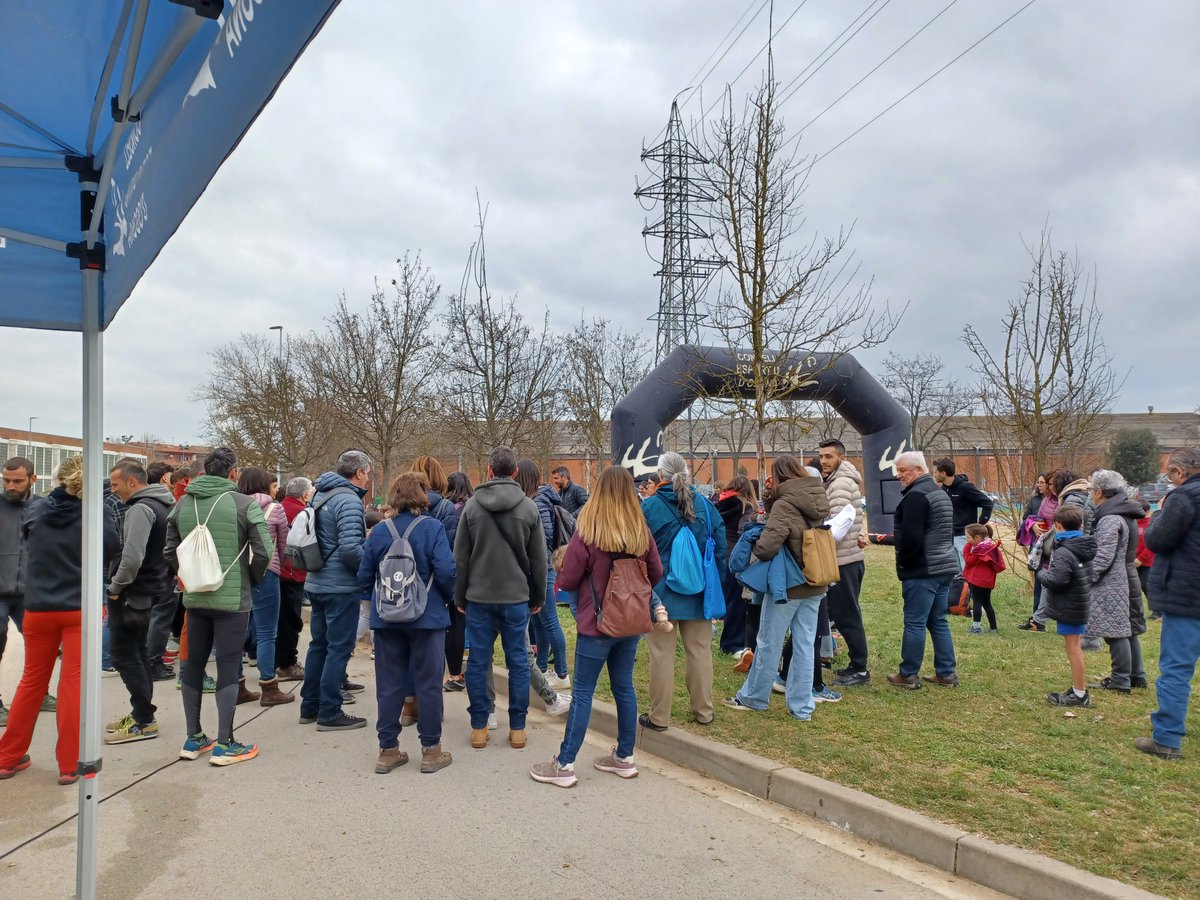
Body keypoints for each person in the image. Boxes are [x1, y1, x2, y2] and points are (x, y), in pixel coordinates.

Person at [530, 466, 663, 787]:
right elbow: (656, 572)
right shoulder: (639, 531)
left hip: (598, 622)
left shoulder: (589, 531)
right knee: (624, 687)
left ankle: (564, 763)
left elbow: (571, 576)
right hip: (631, 622)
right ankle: (624, 757)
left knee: (584, 692)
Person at [0, 457, 119, 782]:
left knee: (31, 681)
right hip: (78, 608)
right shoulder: (94, 512)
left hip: (38, 606)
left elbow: (28, 537)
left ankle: (7, 757)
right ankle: (69, 764)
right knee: (72, 683)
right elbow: (112, 547)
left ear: (56, 480)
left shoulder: (37, 509)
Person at [164, 448, 271, 766]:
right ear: (234, 473)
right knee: (227, 666)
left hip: (195, 597)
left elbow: (169, 548)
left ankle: (193, 737)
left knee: (193, 665)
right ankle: (225, 742)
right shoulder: (243, 504)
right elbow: (263, 551)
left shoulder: (183, 503)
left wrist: (186, 576)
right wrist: (251, 578)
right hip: (232, 598)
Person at [358, 474, 455, 775]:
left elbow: (363, 577)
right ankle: (431, 750)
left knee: (389, 685)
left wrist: (375, 602)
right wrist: (446, 598)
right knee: (428, 685)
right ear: (423, 496)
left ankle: (388, 750)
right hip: (427, 618)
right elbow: (447, 570)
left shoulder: (379, 531)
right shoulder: (433, 527)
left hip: (387, 618)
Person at [723, 456, 831, 720]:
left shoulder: (785, 505)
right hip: (815, 581)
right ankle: (802, 707)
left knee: (769, 642)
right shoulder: (817, 499)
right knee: (805, 644)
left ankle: (754, 697)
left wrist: (759, 536)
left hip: (787, 585)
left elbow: (767, 547)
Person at [454, 446, 547, 751]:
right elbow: (538, 561)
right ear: (516, 472)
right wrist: (538, 596)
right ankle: (517, 728)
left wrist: (460, 595)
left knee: (479, 662)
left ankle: (480, 726)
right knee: (518, 661)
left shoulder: (471, 507)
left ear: (489, 470)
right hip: (515, 597)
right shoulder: (529, 508)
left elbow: (461, 559)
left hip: (479, 597)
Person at [640, 451, 726, 731]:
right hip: (699, 591)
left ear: (660, 476)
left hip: (660, 593)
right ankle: (704, 711)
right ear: (687, 476)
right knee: (700, 651)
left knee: (661, 655)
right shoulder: (705, 505)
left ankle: (659, 716)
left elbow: (637, 550)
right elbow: (721, 548)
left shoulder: (649, 507)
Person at [869, 451, 959, 689]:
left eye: (903, 471)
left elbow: (911, 539)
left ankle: (908, 674)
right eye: (898, 471)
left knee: (915, 622)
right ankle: (946, 673)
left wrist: (905, 565)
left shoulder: (915, 497)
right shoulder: (939, 494)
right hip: (945, 565)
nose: (899, 476)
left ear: (919, 470)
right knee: (938, 620)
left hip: (923, 570)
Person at [299, 449, 373, 732]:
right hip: (340, 586)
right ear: (359, 473)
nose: (367, 477)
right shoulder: (349, 500)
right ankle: (329, 711)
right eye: (367, 472)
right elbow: (351, 550)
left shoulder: (321, 495)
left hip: (316, 581)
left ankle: (310, 705)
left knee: (319, 645)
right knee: (339, 648)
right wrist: (370, 563)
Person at [104, 457, 175, 744]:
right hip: (150, 589)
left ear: (132, 481)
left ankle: (144, 720)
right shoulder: (163, 504)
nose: (113, 489)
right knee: (139, 652)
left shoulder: (139, 509)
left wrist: (115, 587)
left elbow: (132, 557)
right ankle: (141, 712)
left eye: (116, 483)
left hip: (131, 593)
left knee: (124, 654)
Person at [1138, 448, 1200, 759]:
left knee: (1176, 668)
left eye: (1168, 473)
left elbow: (1157, 540)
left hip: (1188, 596)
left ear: (1178, 472)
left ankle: (1167, 737)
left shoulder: (1183, 498)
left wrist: (1159, 512)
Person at [1082, 471, 1145, 694]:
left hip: (1113, 582)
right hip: (1125, 576)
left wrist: (1090, 576)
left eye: (1091, 490)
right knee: (1128, 629)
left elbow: (1104, 555)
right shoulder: (1123, 511)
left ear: (1099, 492)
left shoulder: (1110, 518)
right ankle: (1137, 675)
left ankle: (1120, 679)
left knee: (1115, 631)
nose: (1090, 494)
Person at [236, 466, 293, 706]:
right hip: (267, 571)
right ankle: (268, 685)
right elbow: (283, 544)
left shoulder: (234, 506)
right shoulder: (275, 509)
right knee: (268, 631)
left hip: (237, 573)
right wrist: (280, 565)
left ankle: (236, 684)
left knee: (236, 629)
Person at [818, 439, 871, 687]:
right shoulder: (841, 481)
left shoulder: (839, 484)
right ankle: (855, 664)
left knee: (847, 615)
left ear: (841, 457)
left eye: (829, 456)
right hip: (849, 558)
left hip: (843, 560)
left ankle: (860, 669)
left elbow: (836, 527)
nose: (824, 461)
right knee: (846, 614)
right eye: (821, 456)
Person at [0, 457, 46, 727]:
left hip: (31, 591)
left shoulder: (43, 507)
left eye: (17, 480)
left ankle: (39, 694)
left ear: (32, 479)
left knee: (40, 646)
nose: (10, 486)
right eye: (6, 480)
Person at [518, 458, 570, 689]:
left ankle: (561, 674)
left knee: (550, 620)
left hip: (544, 567)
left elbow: (545, 537)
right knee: (539, 620)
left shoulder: (538, 502)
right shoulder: (535, 500)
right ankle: (542, 667)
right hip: (538, 566)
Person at [1039, 506, 1095, 708]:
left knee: (1073, 648)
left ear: (1057, 526)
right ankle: (1078, 689)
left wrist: (1042, 574)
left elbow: (1058, 579)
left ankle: (1079, 694)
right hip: (1078, 602)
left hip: (1070, 605)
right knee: (1074, 646)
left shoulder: (1065, 550)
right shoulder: (1082, 545)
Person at [276, 477, 313, 682]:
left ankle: (279, 660)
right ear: (305, 495)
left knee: (279, 621)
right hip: (292, 572)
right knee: (290, 622)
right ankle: (287, 664)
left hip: (277, 571)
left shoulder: (278, 507)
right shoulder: (301, 513)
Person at [715, 475, 756, 658]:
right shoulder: (745, 505)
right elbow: (744, 531)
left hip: (721, 552)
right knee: (738, 602)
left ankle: (728, 641)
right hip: (737, 554)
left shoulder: (719, 503)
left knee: (728, 599)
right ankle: (734, 643)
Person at [442, 471, 473, 687]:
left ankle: (455, 674)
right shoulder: (473, 507)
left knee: (455, 624)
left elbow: (450, 544)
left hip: (456, 573)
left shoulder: (449, 510)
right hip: (474, 573)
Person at [933, 458, 993, 564]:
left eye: (935, 472)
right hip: (950, 537)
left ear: (943, 473)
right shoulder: (943, 489)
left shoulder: (965, 488)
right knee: (956, 574)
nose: (934, 475)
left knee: (967, 570)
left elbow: (987, 503)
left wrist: (980, 524)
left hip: (964, 537)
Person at [962, 524, 1004, 634]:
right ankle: (993, 627)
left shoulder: (979, 550)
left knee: (977, 602)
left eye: (968, 538)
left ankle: (976, 627)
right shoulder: (990, 546)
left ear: (977, 538)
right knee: (987, 603)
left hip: (977, 580)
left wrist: (966, 548)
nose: (967, 540)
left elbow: (969, 561)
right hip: (988, 580)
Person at [1135, 500, 1156, 612]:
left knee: (1147, 586)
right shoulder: (1134, 524)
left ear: (1147, 511)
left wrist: (1141, 558)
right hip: (1134, 562)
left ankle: (1157, 611)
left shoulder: (1150, 524)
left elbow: (1151, 545)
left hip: (1147, 562)